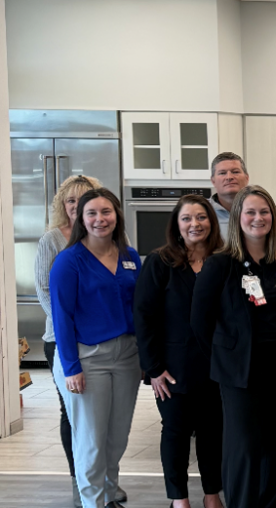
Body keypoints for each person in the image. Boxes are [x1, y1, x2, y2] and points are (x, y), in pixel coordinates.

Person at [191, 185, 276, 508]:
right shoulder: (220, 264)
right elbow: (200, 322)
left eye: (264, 212)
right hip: (239, 374)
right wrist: (225, 358)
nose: (258, 218)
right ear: (238, 217)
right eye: (250, 212)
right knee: (245, 449)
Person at [33, 175, 125, 507]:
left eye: (83, 199)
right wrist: (72, 328)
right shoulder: (53, 241)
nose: (78, 206)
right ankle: (80, 481)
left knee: (107, 419)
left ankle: (104, 482)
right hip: (63, 341)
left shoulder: (114, 242)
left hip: (108, 343)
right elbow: (46, 291)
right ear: (65, 205)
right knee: (73, 415)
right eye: (71, 200)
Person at [49, 188, 141, 508]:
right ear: (81, 219)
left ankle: (108, 496)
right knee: (91, 441)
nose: (100, 219)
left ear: (117, 216)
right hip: (87, 358)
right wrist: (71, 367)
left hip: (127, 356)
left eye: (106, 212)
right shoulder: (69, 260)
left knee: (117, 438)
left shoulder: (130, 256)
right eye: (92, 213)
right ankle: (92, 503)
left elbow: (140, 308)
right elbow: (62, 316)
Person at [133, 195, 226, 508]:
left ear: (211, 222)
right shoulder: (160, 262)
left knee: (213, 433)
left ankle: (212, 494)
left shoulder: (223, 260)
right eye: (186, 218)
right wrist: (153, 369)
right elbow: (143, 317)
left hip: (216, 367)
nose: (194, 224)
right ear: (176, 225)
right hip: (172, 369)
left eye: (201, 217)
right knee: (175, 433)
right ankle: (179, 498)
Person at [207, 152, 276, 253]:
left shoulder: (267, 213)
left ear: (247, 178)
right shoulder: (204, 213)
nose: (229, 177)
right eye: (222, 173)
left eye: (235, 172)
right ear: (213, 181)